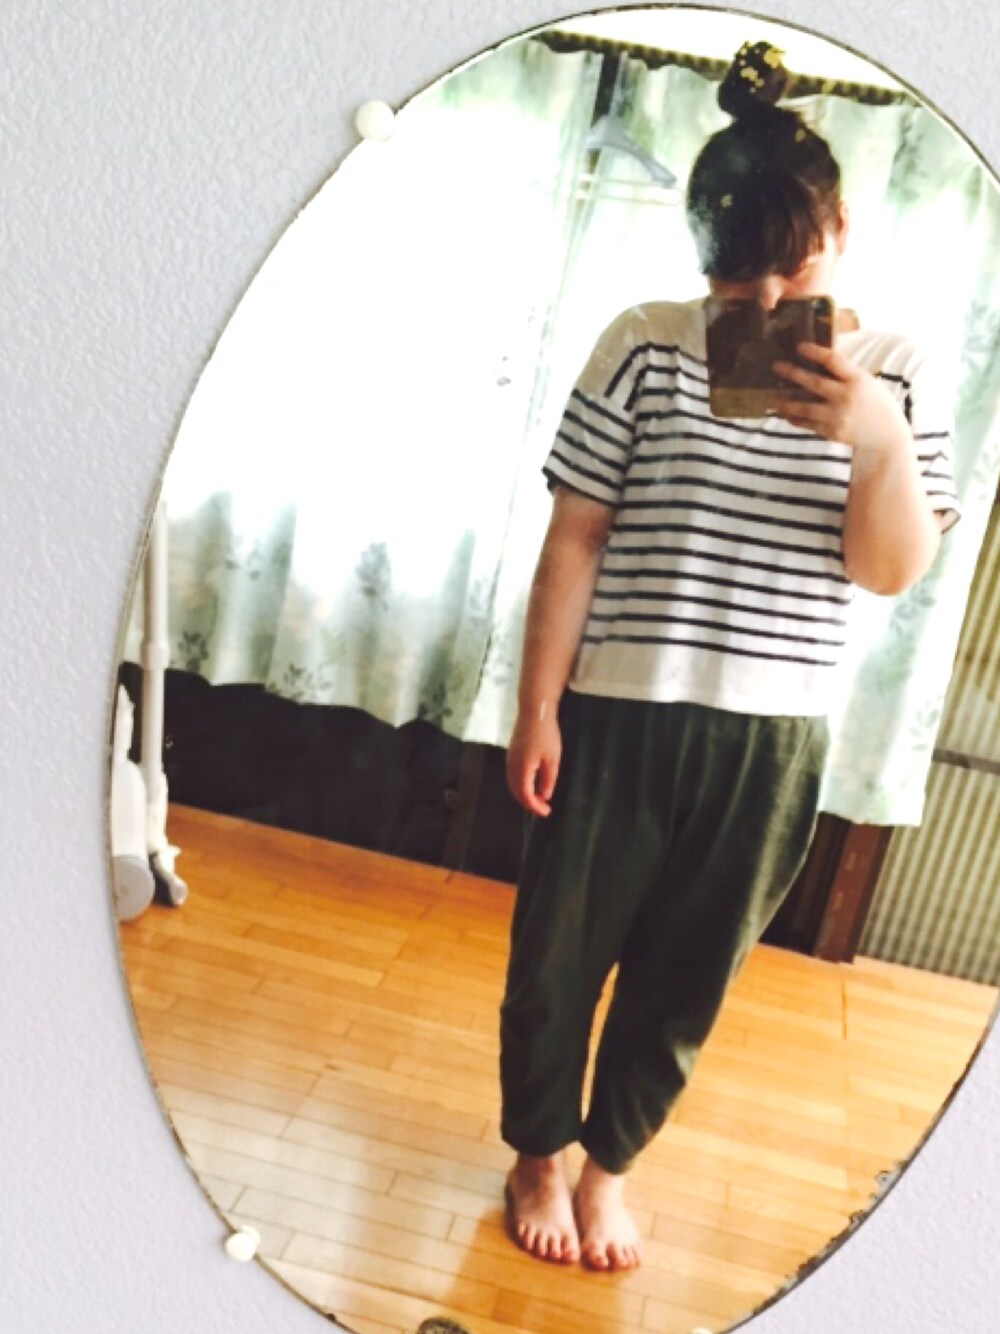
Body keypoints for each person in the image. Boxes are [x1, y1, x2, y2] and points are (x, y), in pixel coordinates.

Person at [498, 40, 960, 1272]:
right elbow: (576, 535)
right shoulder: (644, 340)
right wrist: (537, 707)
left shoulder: (900, 374)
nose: (757, 302)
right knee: (552, 960)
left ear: (840, 230)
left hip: (772, 734)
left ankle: (607, 1167)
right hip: (616, 709)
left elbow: (888, 571)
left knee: (686, 975)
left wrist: (875, 438)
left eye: (789, 270)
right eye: (730, 275)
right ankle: (536, 1151)